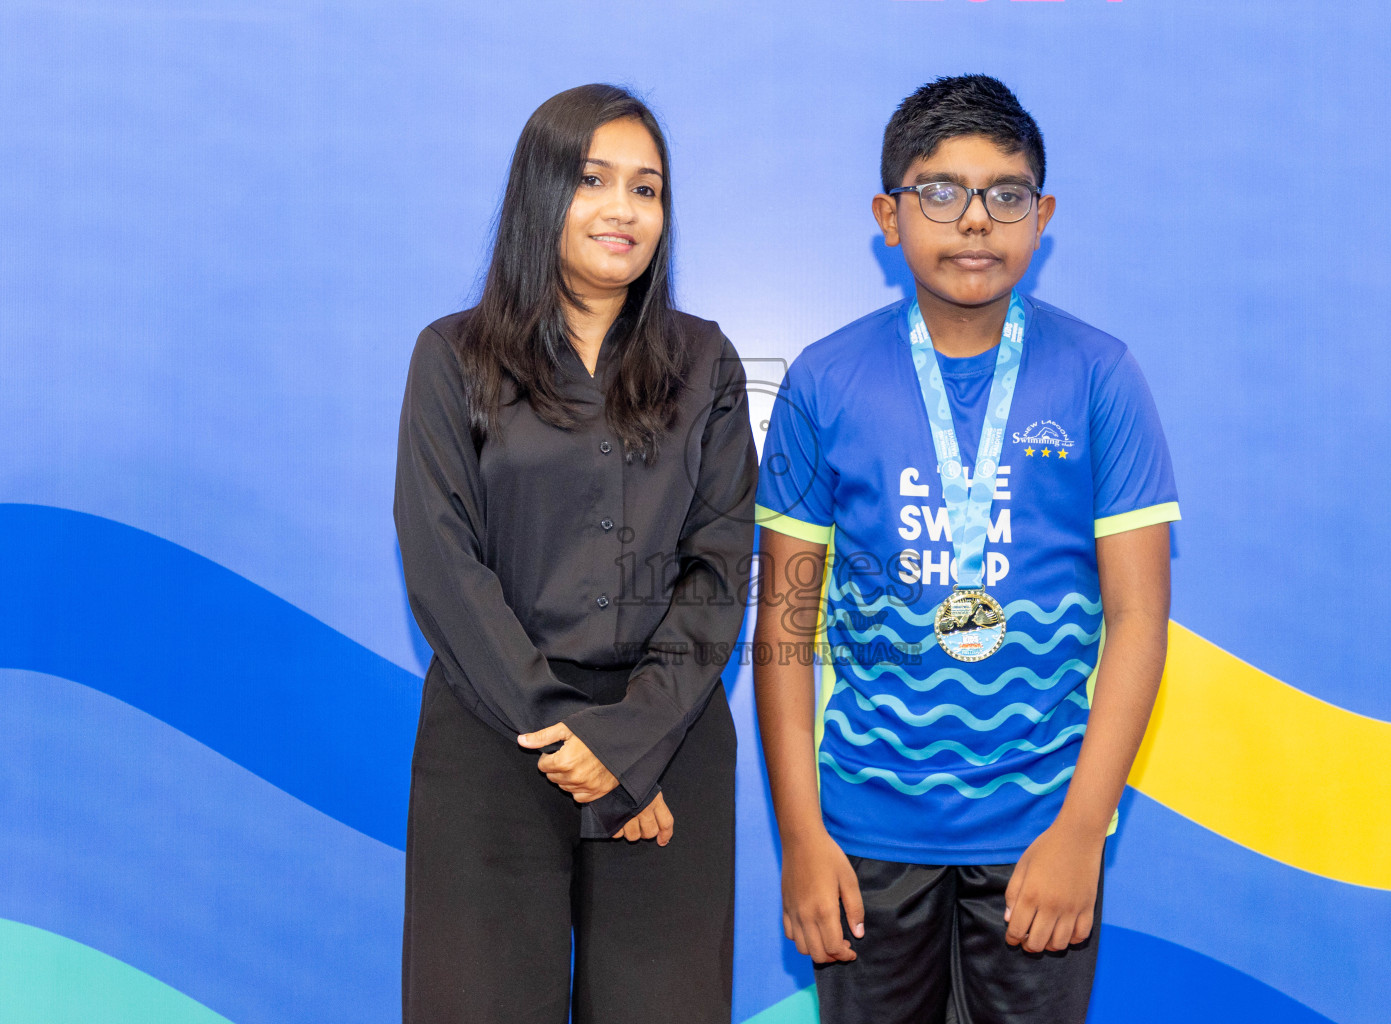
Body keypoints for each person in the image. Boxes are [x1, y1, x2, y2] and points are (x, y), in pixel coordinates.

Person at [753, 75, 1179, 1024]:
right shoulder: (824, 380)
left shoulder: (1099, 373)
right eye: (940, 192)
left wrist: (1080, 830)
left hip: (1040, 837)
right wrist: (802, 837)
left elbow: (1140, 619)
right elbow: (783, 631)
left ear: (1043, 215)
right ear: (889, 216)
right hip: (862, 834)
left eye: (1006, 195)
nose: (975, 221)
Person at [394, 83, 756, 1024]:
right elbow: (442, 563)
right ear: (540, 193)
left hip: (666, 741)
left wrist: (628, 745)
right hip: (493, 737)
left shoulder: (706, 361)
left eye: (649, 188)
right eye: (595, 180)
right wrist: (575, 743)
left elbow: (719, 570)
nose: (625, 210)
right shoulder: (454, 356)